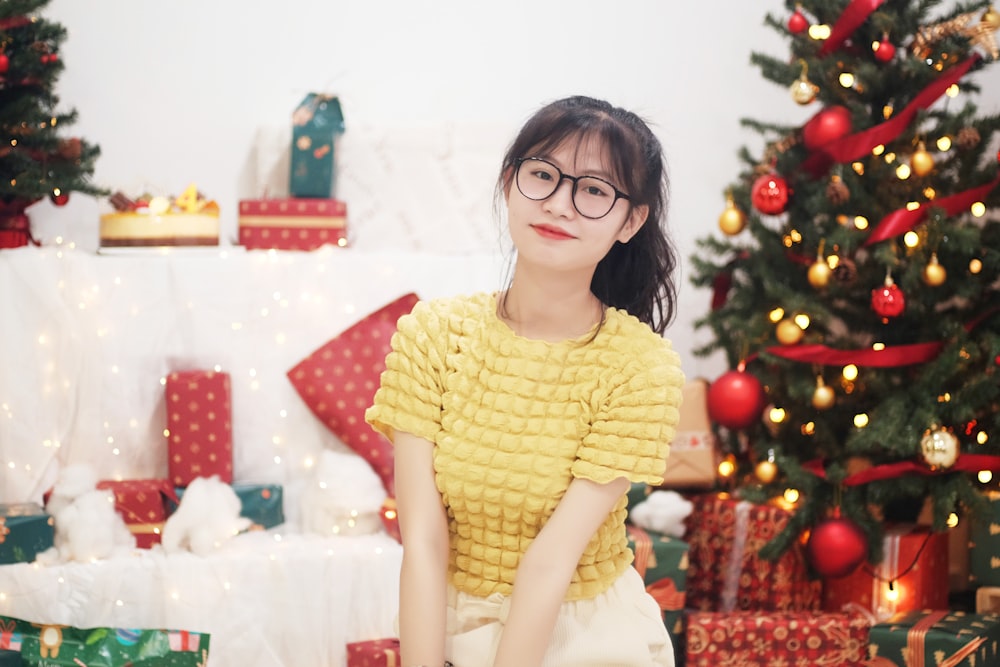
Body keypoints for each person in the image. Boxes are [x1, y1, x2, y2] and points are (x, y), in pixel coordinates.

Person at [365, 95, 686, 667]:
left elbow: (550, 563)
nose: (560, 204)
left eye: (593, 190)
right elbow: (423, 539)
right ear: (510, 183)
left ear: (630, 220)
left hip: (580, 632)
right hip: (447, 619)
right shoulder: (433, 335)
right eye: (543, 175)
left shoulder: (641, 367)